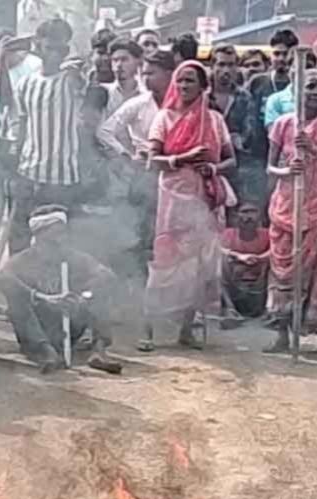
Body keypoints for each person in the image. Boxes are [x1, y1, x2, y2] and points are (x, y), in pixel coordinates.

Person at [139, 60, 236, 352]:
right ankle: (148, 331)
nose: (183, 85)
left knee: (199, 267)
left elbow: (232, 160)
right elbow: (152, 160)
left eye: (190, 80)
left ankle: (186, 330)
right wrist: (183, 158)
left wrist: (213, 168)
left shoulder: (215, 121)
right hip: (173, 200)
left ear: (203, 87)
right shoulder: (164, 118)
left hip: (205, 199)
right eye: (180, 80)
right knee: (166, 265)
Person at [264, 69, 317, 356]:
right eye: (310, 86)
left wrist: (314, 151)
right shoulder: (283, 124)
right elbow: (270, 166)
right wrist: (287, 170)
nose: (316, 92)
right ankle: (281, 334)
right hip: (288, 205)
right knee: (284, 269)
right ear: (298, 89)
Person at [0, 205, 121, 374]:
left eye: (62, 232)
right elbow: (2, 278)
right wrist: (41, 298)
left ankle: (99, 351)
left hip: (68, 323)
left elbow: (106, 275)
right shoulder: (22, 260)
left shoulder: (71, 256)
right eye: (56, 233)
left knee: (99, 293)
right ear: (40, 233)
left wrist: (83, 297)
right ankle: (46, 352)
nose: (62, 237)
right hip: (37, 328)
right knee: (17, 302)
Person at [8, 18, 85, 254]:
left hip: (61, 179)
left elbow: (80, 83)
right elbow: (22, 126)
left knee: (58, 245)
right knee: (19, 238)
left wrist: (76, 72)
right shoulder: (25, 84)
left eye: (60, 49)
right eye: (49, 47)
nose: (54, 54)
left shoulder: (71, 80)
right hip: (28, 173)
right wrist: (15, 168)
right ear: (38, 47)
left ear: (67, 50)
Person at [98, 51, 175, 273]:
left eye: (152, 73)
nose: (146, 78)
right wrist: (126, 155)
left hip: (175, 173)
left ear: (169, 74)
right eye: (144, 73)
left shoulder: (180, 105)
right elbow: (105, 131)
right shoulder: (138, 104)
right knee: (143, 229)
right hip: (145, 174)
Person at [245, 29, 300, 204]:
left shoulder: (301, 84)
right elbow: (248, 113)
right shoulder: (258, 81)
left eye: (285, 54)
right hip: (259, 153)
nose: (281, 59)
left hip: (289, 157)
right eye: (277, 53)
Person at [208, 44, 254, 182]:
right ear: (212, 66)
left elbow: (248, 133)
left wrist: (237, 140)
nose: (226, 70)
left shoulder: (244, 97)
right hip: (207, 164)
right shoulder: (201, 96)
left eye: (231, 65)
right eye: (221, 64)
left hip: (237, 168)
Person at [220, 199, 270, 325]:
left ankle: (270, 309)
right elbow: (217, 248)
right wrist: (239, 256)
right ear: (236, 216)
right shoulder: (228, 233)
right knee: (219, 265)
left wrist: (260, 258)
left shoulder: (267, 234)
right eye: (245, 212)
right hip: (235, 275)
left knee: (278, 265)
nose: (249, 216)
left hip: (260, 276)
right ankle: (230, 309)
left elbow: (277, 249)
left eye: (253, 211)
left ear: (260, 216)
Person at [104, 38, 143, 118]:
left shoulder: (146, 94)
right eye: (115, 60)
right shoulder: (105, 94)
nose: (119, 65)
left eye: (124, 60)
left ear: (138, 62)